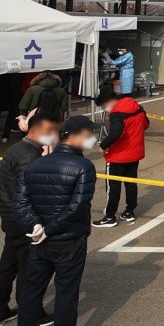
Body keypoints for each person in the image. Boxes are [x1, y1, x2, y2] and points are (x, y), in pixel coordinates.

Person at [13, 116, 97, 326]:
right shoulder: (84, 166)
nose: (91, 141)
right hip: (69, 240)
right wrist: (48, 230)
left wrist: (35, 227)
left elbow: (20, 202)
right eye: (88, 136)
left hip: (38, 240)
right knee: (66, 292)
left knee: (32, 289)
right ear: (71, 136)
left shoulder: (34, 165)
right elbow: (77, 206)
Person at [0, 114, 58, 324]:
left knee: (8, 264)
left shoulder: (17, 149)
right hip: (23, 221)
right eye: (51, 131)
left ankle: (3, 309)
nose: (54, 136)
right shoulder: (29, 157)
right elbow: (28, 193)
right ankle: (31, 313)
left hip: (10, 217)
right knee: (30, 269)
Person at [93, 90, 150, 228]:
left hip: (117, 156)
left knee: (113, 187)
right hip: (135, 153)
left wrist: (104, 145)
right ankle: (130, 211)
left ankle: (110, 216)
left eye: (104, 106)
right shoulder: (137, 107)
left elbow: (116, 132)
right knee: (130, 183)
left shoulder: (117, 113)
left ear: (109, 101)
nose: (105, 110)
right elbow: (146, 124)